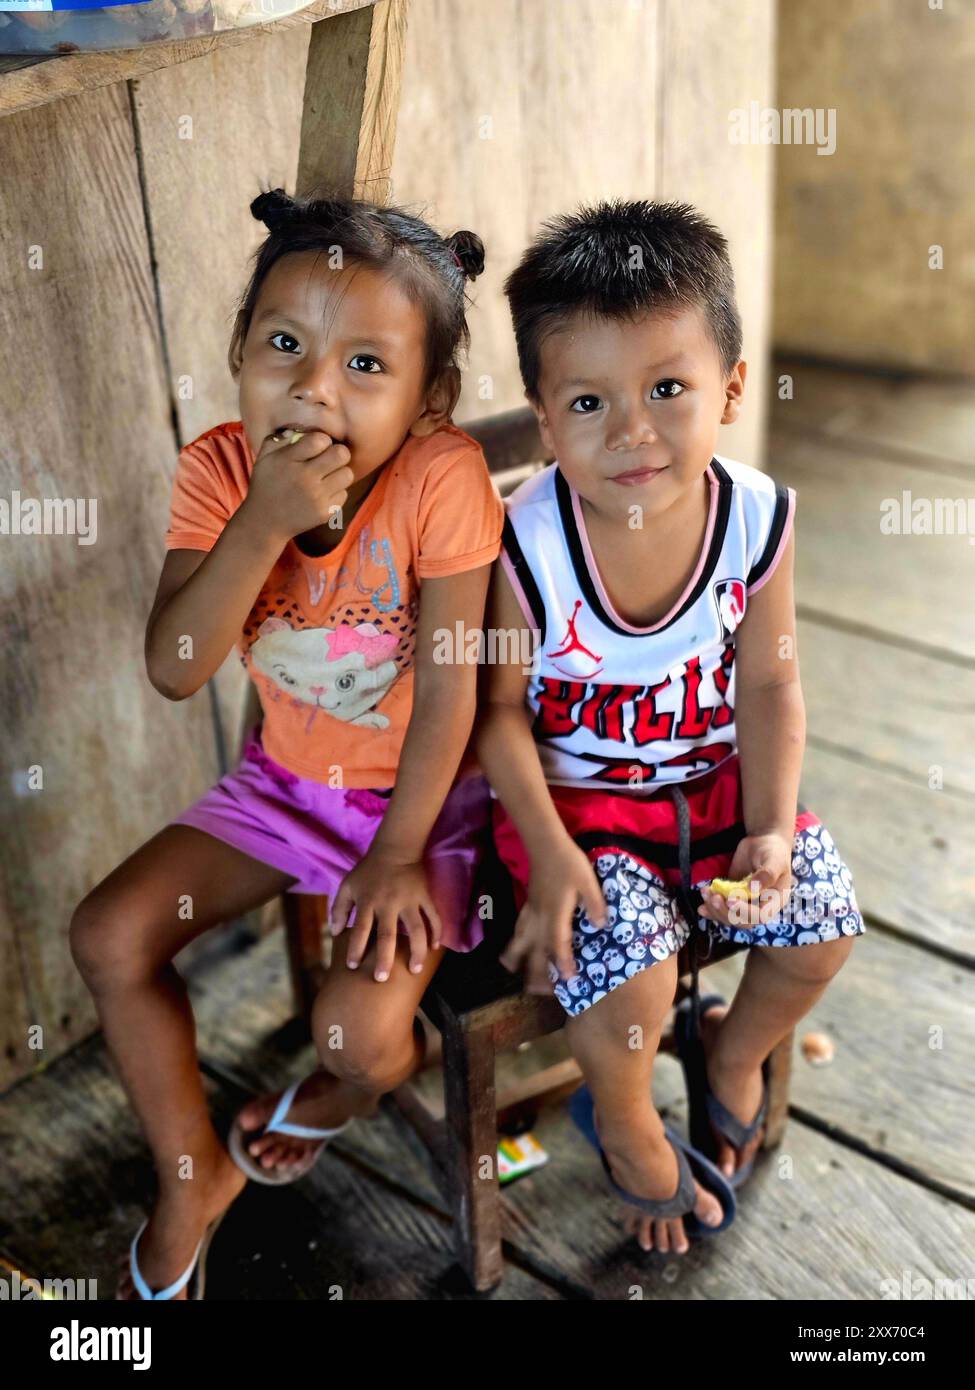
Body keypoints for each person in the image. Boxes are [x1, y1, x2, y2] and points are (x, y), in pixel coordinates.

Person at [69, 189, 503, 1299]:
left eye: (367, 365)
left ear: (429, 397)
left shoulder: (438, 476)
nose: (313, 385)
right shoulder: (221, 472)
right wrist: (260, 521)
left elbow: (454, 686)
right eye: (283, 344)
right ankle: (191, 1177)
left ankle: (340, 1094)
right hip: (283, 791)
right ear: (238, 353)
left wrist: (400, 851)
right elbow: (175, 666)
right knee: (112, 935)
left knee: (356, 1037)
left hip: (420, 807)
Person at [476, 198, 864, 1259]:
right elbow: (498, 717)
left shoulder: (755, 518)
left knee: (821, 926)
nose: (632, 430)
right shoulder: (529, 543)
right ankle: (630, 1115)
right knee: (632, 971)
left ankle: (732, 1053)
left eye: (667, 389)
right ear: (546, 418)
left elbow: (773, 690)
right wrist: (550, 856)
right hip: (582, 816)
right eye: (590, 401)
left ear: (731, 388)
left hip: (716, 797)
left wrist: (774, 830)